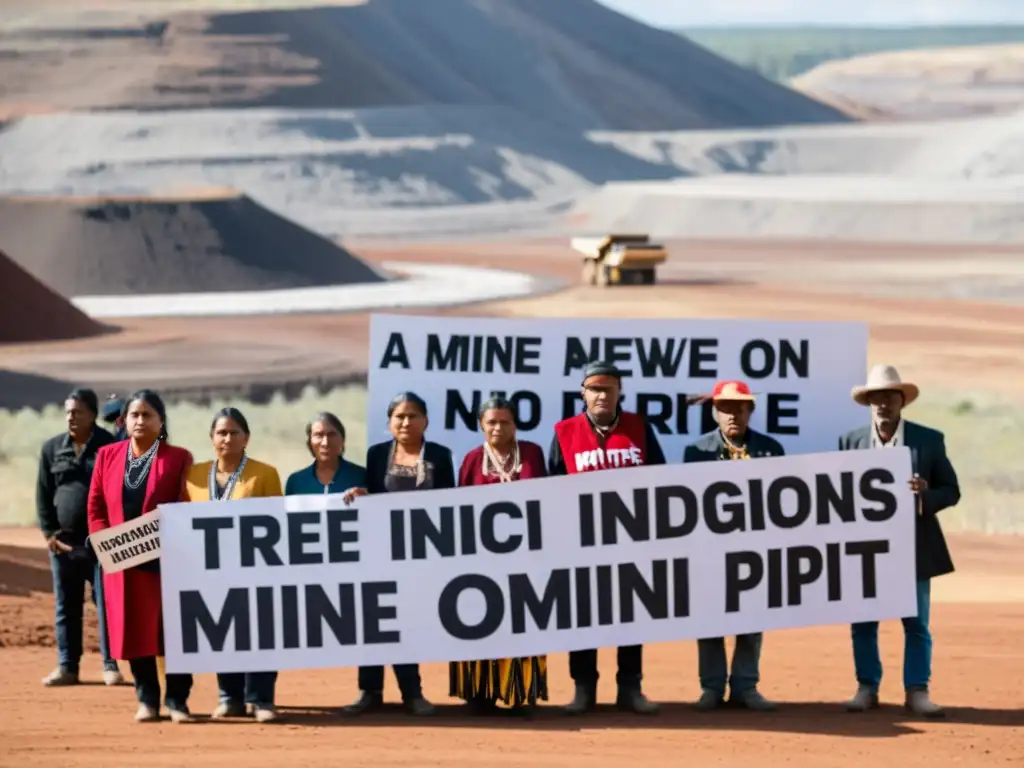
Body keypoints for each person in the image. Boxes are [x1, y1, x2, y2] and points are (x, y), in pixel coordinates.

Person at [839, 364, 960, 719]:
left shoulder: (929, 440)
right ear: (868, 402)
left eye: (890, 396)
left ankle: (917, 690)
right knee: (863, 621)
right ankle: (867, 687)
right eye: (876, 397)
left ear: (902, 401)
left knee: (917, 622)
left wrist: (925, 496)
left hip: (913, 546)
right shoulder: (850, 442)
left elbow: (951, 490)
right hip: (866, 549)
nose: (882, 404)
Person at [548, 361, 664, 716]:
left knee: (629, 617)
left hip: (631, 543)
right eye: (594, 388)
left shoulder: (639, 428)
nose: (601, 394)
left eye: (608, 388)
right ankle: (584, 689)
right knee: (584, 617)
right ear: (583, 392)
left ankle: (630, 688)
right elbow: (551, 487)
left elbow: (660, 481)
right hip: (581, 545)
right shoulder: (564, 432)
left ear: (619, 392)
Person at [341, 392, 455, 717]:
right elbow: (374, 497)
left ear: (426, 421)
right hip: (380, 554)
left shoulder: (440, 455)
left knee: (406, 624)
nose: (406, 422)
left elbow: (452, 504)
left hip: (423, 556)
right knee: (375, 622)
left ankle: (412, 693)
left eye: (413, 415)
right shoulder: (377, 455)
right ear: (390, 422)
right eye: (399, 416)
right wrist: (360, 494)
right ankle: (369, 691)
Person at [86, 389, 195, 723]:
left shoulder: (178, 458)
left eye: (148, 414)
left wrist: (161, 537)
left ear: (161, 421)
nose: (140, 420)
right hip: (122, 563)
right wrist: (106, 540)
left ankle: (177, 701)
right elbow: (96, 506)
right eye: (134, 414)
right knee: (134, 633)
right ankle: (147, 699)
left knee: (171, 633)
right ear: (124, 419)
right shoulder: (107, 456)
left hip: (166, 563)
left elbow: (184, 502)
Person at [682, 379, 784, 713]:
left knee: (752, 620)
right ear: (714, 412)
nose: (733, 415)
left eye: (740, 407)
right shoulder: (696, 452)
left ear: (750, 410)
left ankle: (745, 686)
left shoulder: (772, 450)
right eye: (725, 408)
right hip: (711, 553)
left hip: (756, 551)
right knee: (709, 620)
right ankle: (711, 687)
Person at [184, 407, 284, 723]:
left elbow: (279, 521)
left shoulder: (264, 473)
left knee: (261, 632)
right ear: (212, 438)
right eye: (221, 433)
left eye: (234, 432)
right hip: (210, 570)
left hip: (256, 567)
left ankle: (262, 699)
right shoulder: (194, 475)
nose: (227, 438)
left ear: (247, 437)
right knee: (222, 631)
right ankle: (230, 697)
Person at [449, 396, 549, 713]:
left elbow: (546, 499)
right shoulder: (471, 460)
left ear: (515, 424)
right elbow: (458, 510)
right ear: (481, 424)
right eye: (491, 421)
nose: (497, 427)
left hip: (525, 558)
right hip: (482, 561)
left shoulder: (532, 454)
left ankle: (521, 693)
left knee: (525, 621)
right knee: (481, 622)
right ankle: (480, 694)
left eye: (504, 421)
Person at [36, 388, 123, 687]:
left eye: (77, 412)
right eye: (68, 412)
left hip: (100, 543)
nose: (71, 417)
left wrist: (111, 536)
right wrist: (49, 533)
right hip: (63, 544)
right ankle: (67, 667)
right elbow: (43, 495)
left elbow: (119, 494)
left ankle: (110, 665)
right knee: (66, 606)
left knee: (106, 603)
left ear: (92, 415)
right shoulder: (51, 449)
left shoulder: (109, 447)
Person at [284, 412, 367, 496]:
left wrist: (366, 496)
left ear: (342, 440)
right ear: (309, 442)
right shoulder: (296, 482)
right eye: (318, 435)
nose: (325, 443)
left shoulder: (362, 476)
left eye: (331, 435)